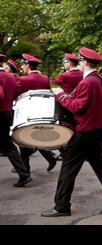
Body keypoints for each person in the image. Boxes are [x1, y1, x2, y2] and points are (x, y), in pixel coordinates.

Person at [41, 47, 102, 217]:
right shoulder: (99, 79)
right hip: (96, 130)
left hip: (85, 131)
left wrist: (61, 95)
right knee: (99, 165)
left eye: (80, 61)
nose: (78, 64)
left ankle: (61, 206)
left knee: (68, 167)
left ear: (85, 62)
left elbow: (77, 106)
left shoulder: (88, 82)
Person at [15, 54, 58, 173]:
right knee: (35, 137)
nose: (22, 68)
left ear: (28, 65)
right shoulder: (44, 78)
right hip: (42, 112)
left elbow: (16, 95)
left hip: (27, 114)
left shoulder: (22, 79)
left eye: (23, 65)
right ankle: (50, 157)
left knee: (23, 140)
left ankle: (25, 171)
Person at [0, 54, 32, 187]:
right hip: (7, 112)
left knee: (8, 145)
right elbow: (14, 94)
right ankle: (24, 173)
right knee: (8, 145)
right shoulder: (11, 77)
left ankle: (24, 174)